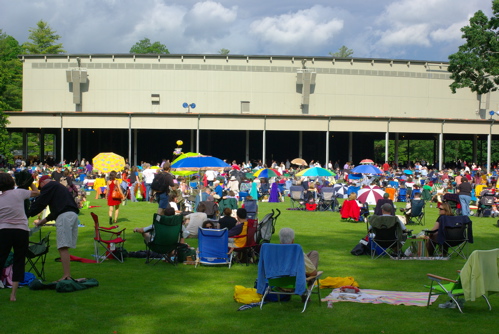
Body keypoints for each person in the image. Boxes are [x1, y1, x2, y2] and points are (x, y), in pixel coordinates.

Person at [28, 175, 80, 282]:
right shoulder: (59, 187)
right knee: (64, 246)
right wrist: (43, 221)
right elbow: (57, 209)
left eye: (41, 187)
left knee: (62, 247)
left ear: (42, 183)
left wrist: (28, 213)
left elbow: (41, 202)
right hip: (72, 215)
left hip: (64, 217)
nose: (42, 189)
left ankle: (66, 275)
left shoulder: (50, 186)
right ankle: (67, 274)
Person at [0, 172, 39, 301]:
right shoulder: (19, 193)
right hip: (21, 231)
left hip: (4, 231)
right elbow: (37, 192)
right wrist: (31, 182)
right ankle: (13, 295)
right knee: (19, 260)